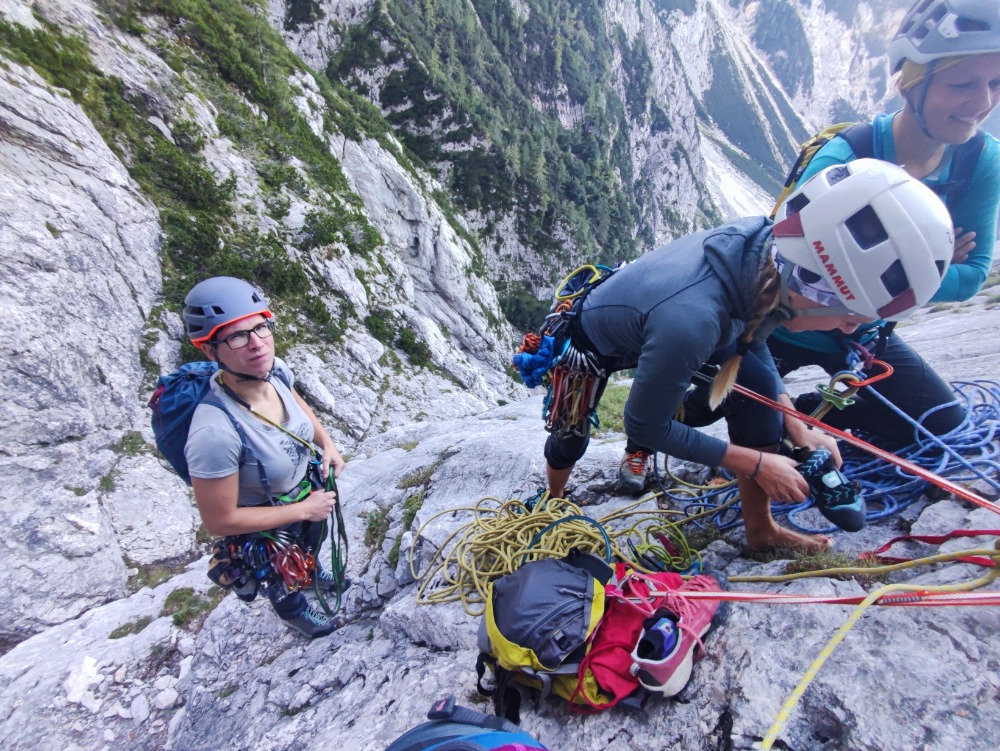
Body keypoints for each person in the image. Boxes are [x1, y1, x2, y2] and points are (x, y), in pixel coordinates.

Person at [544, 160, 954, 553]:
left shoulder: (772, 256)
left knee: (758, 388)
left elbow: (753, 332)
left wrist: (798, 428)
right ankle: (554, 501)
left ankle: (761, 532)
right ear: (814, 292)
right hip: (590, 341)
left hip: (668, 315)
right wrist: (757, 463)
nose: (849, 331)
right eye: (850, 320)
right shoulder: (692, 322)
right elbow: (645, 425)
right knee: (569, 438)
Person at [766, 0, 1000, 447]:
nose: (983, 102)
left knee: (942, 426)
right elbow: (790, 259)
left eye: (996, 83)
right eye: (962, 83)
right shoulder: (844, 156)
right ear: (913, 81)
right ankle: (779, 415)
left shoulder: (980, 160)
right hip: (784, 324)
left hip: (865, 336)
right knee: (701, 409)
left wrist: (860, 281)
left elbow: (971, 277)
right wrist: (918, 269)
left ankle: (809, 411)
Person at [183, 276, 348, 638]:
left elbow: (296, 403)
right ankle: (294, 613)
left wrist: (327, 444)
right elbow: (220, 520)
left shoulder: (275, 372)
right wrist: (303, 510)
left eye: (261, 327)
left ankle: (310, 571)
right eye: (237, 337)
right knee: (279, 571)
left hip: (305, 491)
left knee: (309, 542)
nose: (257, 344)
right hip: (266, 523)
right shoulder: (215, 432)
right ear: (210, 351)